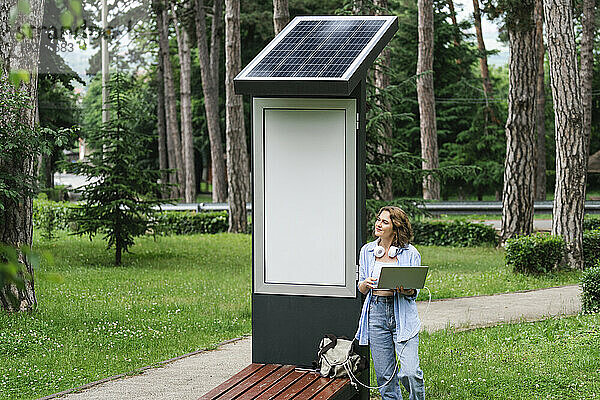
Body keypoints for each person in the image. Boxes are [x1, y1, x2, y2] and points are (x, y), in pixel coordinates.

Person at [355, 206, 425, 400]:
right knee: (385, 376)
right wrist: (365, 284)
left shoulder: (410, 253)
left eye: (385, 222)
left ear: (396, 228)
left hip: (401, 311)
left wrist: (406, 289)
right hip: (376, 312)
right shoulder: (368, 250)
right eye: (378, 219)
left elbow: (414, 291)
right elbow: (360, 288)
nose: (378, 224)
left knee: (410, 372)